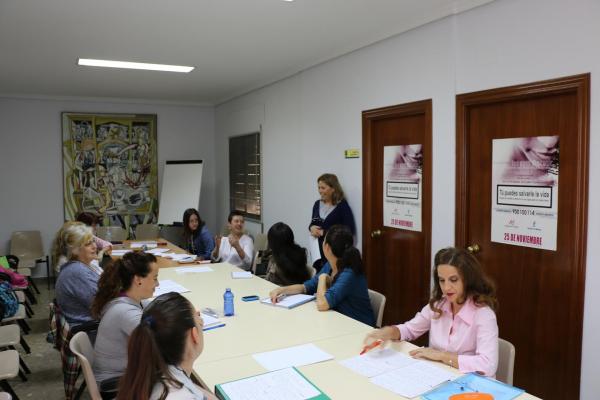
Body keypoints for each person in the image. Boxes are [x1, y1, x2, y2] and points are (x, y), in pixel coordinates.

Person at [363, 247, 499, 377]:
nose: (446, 287)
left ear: (468, 279)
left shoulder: (483, 315)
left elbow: (488, 364)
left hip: (470, 385)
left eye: (453, 280)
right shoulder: (439, 304)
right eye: (441, 280)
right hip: (438, 375)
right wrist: (391, 331)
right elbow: (410, 329)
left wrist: (442, 356)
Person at [116, 292, 217, 400]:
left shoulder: (152, 374)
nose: (201, 320)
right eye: (198, 319)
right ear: (194, 334)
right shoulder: (180, 395)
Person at [270, 225, 374, 326]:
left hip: (358, 326)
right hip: (338, 322)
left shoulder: (348, 273)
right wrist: (281, 290)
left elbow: (322, 304)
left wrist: (322, 278)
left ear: (327, 247)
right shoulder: (330, 264)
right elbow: (306, 287)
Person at [90, 252, 159, 393]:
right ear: (138, 280)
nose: (157, 284)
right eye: (155, 278)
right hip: (117, 386)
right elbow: (162, 343)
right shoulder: (125, 312)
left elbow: (155, 311)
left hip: (121, 375)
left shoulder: (126, 298)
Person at [52, 221, 100, 327]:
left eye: (93, 241)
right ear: (74, 250)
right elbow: (101, 306)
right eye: (88, 244)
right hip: (90, 329)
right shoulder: (77, 272)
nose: (94, 246)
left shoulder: (80, 266)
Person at [308, 173, 356, 271]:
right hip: (317, 252)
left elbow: (349, 232)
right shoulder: (317, 204)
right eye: (319, 187)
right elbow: (313, 222)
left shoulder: (342, 206)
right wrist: (311, 228)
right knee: (318, 278)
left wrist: (323, 233)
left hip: (334, 254)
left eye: (323, 188)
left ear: (333, 188)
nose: (320, 191)